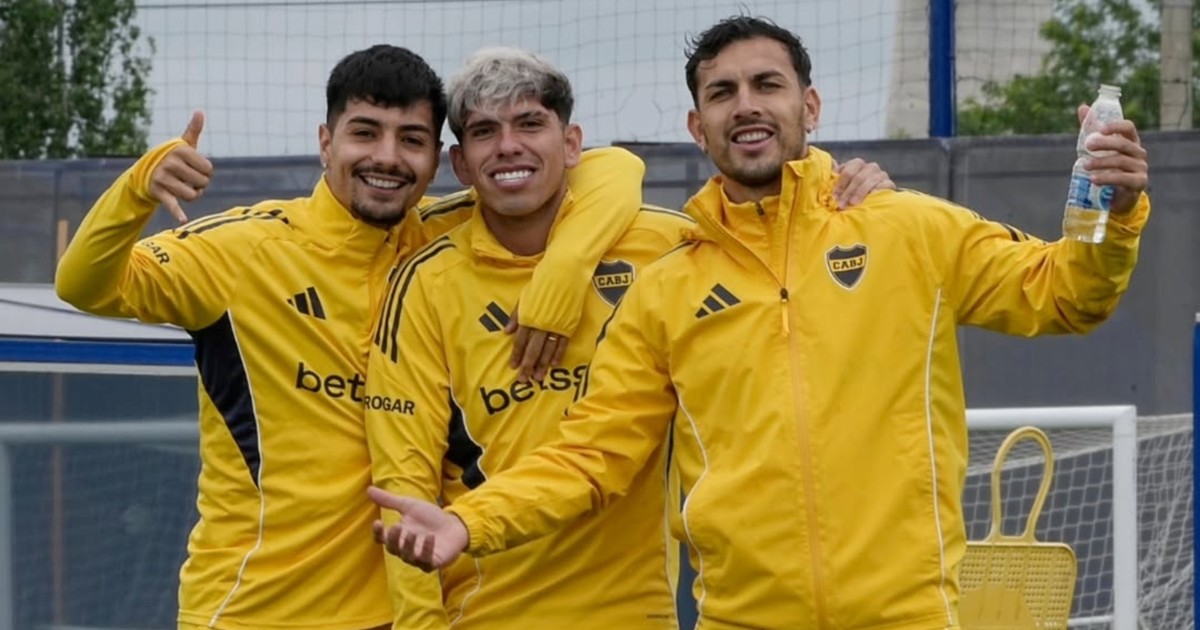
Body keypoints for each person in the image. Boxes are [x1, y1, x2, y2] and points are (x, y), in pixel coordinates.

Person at [370, 15, 1151, 630]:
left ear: (808, 106)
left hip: (909, 615)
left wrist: (1114, 216)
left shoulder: (906, 227)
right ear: (697, 125)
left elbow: (1064, 295)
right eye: (722, 92)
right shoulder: (667, 284)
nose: (745, 104)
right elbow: (592, 456)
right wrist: (469, 522)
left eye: (766, 84)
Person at [54, 44, 652, 630]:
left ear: (440, 161)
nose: (387, 158)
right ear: (326, 142)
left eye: (411, 139)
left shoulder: (440, 237)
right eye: (365, 133)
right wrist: (137, 188)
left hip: (398, 607)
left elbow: (612, 170)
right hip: (254, 608)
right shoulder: (242, 250)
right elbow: (84, 285)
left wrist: (565, 267)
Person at [364, 46, 896, 630]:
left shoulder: (669, 247)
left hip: (641, 612)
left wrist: (848, 194)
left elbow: (777, 250)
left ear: (572, 145)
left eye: (531, 124)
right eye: (485, 132)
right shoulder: (425, 282)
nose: (508, 146)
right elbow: (403, 483)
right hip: (484, 614)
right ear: (461, 165)